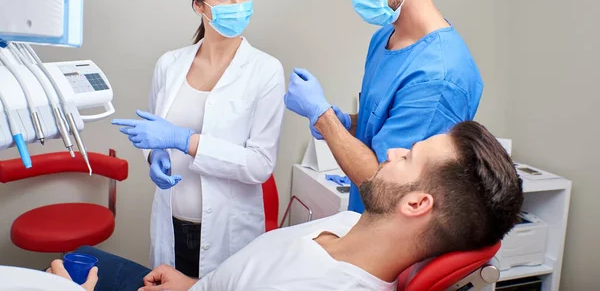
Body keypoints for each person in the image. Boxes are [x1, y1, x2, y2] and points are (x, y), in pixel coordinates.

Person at [48, 121, 523, 291]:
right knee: (68, 262)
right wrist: (195, 284)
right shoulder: (352, 220)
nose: (395, 151)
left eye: (410, 156)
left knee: (52, 277)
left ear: (418, 203)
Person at [284, 0, 484, 213]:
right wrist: (348, 123)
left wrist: (322, 116)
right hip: (365, 218)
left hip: (400, 238)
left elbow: (385, 183)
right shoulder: (384, 37)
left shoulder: (439, 77)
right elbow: (384, 126)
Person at [111, 0, 286, 278]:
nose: (238, 4)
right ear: (199, 6)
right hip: (171, 226)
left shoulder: (266, 71)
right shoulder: (170, 64)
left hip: (228, 233)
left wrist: (184, 140)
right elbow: (155, 130)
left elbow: (260, 165)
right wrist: (155, 154)